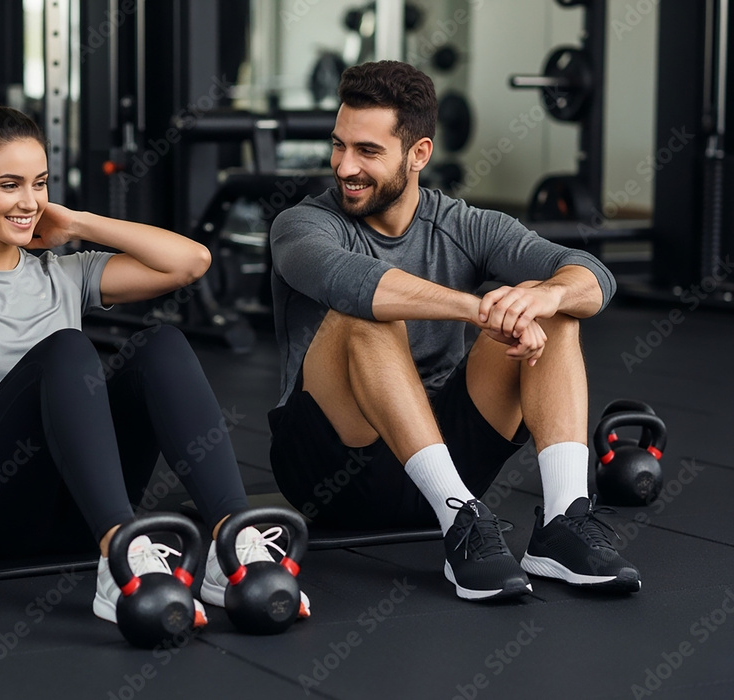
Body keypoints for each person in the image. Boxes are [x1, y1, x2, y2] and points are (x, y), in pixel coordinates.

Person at [0, 100, 309, 628]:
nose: (30, 201)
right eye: (10, 184)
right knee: (66, 350)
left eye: (40, 183)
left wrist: (82, 223)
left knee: (161, 344)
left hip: (76, 507)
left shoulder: (63, 273)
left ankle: (233, 546)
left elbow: (191, 262)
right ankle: (118, 560)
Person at [267, 61, 639, 601]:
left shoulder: (463, 224)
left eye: (368, 151)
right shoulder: (303, 224)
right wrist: (483, 309)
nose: (344, 166)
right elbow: (354, 282)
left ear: (419, 154)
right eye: (339, 145)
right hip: (332, 470)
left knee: (551, 306)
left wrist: (546, 296)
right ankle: (461, 516)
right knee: (363, 311)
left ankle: (561, 522)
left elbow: (591, 273)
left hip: (445, 454)